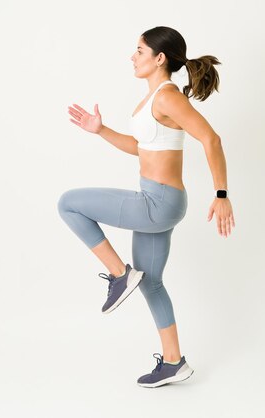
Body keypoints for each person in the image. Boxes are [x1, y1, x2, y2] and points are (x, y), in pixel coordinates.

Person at [58, 26, 235, 388]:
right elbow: (142, 147)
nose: (132, 57)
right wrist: (101, 129)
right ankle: (174, 362)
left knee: (69, 203)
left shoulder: (167, 97)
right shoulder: (153, 98)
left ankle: (119, 274)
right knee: (151, 282)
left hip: (157, 202)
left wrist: (221, 195)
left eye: (139, 51)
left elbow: (210, 138)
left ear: (159, 58)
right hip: (160, 200)